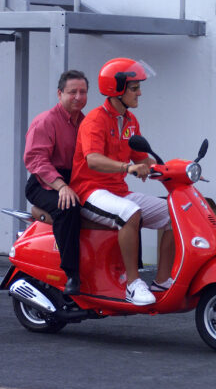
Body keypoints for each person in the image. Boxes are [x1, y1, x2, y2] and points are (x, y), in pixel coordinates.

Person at [69, 58, 175, 306]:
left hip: (117, 192)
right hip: (89, 192)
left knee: (173, 213)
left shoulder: (129, 121)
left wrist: (177, 171)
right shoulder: (95, 120)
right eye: (134, 88)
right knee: (130, 212)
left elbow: (143, 159)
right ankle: (132, 284)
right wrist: (127, 168)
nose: (140, 93)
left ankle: (161, 280)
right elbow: (93, 160)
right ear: (117, 90)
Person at [23, 70, 88, 295]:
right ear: (60, 94)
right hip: (44, 183)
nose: (78, 97)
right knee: (68, 208)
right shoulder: (45, 121)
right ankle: (71, 275)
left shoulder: (86, 122)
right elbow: (36, 160)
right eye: (72, 92)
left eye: (83, 92)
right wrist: (61, 186)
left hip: (75, 180)